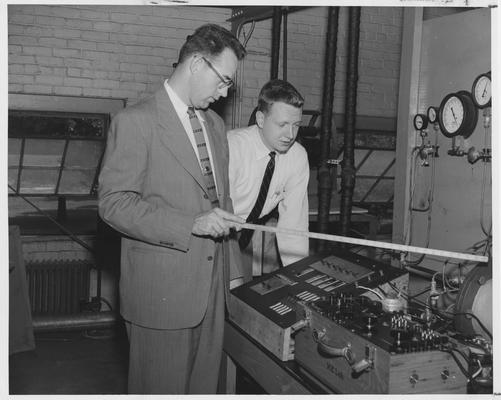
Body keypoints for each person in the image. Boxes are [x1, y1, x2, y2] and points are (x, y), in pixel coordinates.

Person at [98, 24, 246, 394]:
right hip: (162, 293)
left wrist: (235, 277)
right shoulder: (135, 121)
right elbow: (114, 204)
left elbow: (220, 202)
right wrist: (191, 224)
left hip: (212, 291)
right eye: (224, 80)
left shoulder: (214, 125)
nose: (225, 92)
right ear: (197, 63)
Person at [228, 79, 309, 282]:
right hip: (215, 236)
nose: (290, 135)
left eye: (296, 125)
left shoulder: (297, 156)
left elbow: (294, 226)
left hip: (244, 238)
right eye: (282, 125)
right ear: (261, 119)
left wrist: (299, 278)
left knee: (241, 304)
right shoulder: (232, 147)